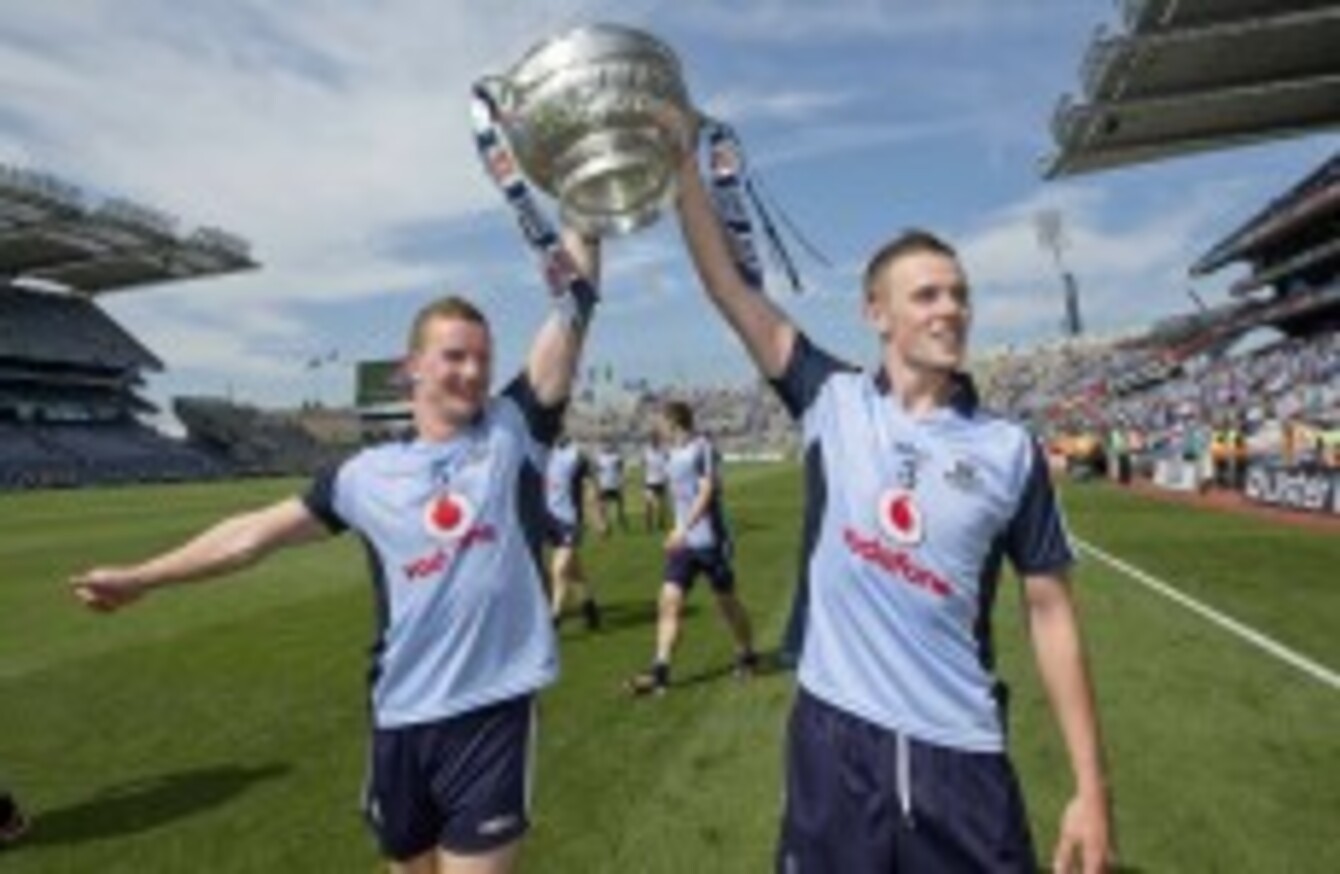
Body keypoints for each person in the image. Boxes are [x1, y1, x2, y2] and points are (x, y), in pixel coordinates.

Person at [69, 228, 601, 874]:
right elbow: (251, 537)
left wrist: (586, 218)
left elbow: (573, 311)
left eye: (483, 359)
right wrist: (142, 577)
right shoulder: (363, 476)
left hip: (491, 712)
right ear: (412, 368)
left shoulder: (513, 430)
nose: (473, 372)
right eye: (455, 356)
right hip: (400, 714)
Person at [673, 142, 1112, 872]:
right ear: (876, 313)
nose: (952, 310)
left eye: (959, 294)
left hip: (961, 757)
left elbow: (1051, 613)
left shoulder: (1009, 449)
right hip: (834, 742)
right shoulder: (831, 400)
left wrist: (1091, 790)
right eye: (928, 296)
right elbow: (728, 288)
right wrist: (678, 164)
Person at [626, 401, 757, 695]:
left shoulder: (702, 447)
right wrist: (678, 529)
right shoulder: (668, 453)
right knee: (669, 601)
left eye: (660, 421)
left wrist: (683, 528)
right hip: (683, 544)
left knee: (727, 603)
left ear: (673, 422)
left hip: (710, 540)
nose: (656, 426)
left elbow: (707, 492)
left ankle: (746, 653)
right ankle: (661, 668)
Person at [545, 431, 601, 631]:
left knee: (559, 569)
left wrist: (598, 517)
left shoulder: (575, 455)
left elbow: (591, 486)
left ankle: (554, 618)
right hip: (548, 520)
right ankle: (589, 605)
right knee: (573, 570)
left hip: (569, 520)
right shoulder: (539, 450)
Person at [592, 443, 627, 535]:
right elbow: (621, 470)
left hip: (608, 486)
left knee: (603, 508)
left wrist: (596, 486)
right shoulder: (614, 457)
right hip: (609, 485)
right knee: (605, 507)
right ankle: (607, 526)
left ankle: (606, 526)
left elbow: (596, 472)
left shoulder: (607, 457)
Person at [641, 433, 670, 532]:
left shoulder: (663, 451)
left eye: (656, 439)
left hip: (661, 481)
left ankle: (661, 522)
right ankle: (648, 525)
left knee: (661, 504)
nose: (654, 441)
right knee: (648, 504)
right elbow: (643, 463)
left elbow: (668, 461)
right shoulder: (646, 451)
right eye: (653, 439)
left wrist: (666, 475)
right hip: (650, 481)